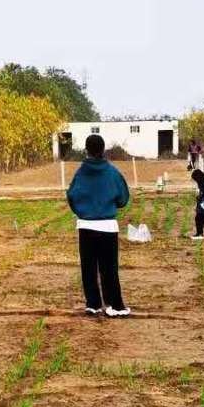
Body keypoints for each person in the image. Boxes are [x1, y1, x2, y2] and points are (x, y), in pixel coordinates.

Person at [67, 134, 131, 317]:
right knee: (109, 268)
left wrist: (82, 211)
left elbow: (71, 195)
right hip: (107, 227)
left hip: (86, 226)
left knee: (88, 267)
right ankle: (114, 306)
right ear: (103, 150)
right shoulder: (112, 172)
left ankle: (93, 304)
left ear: (86, 150)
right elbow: (123, 198)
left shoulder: (80, 173)